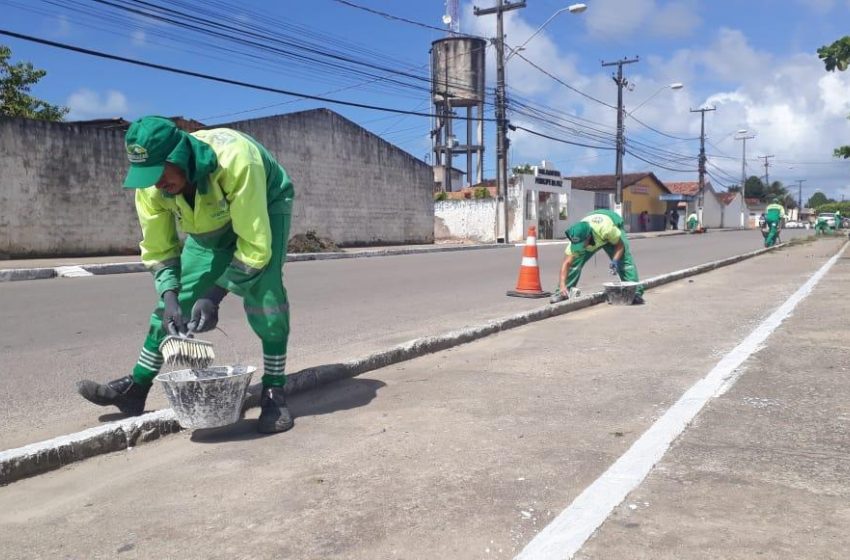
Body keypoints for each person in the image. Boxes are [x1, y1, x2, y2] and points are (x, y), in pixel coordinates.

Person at [77, 116, 296, 434]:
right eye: (147, 175)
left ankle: (275, 390)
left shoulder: (237, 161)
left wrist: (214, 295)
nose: (156, 184)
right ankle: (135, 388)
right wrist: (170, 297)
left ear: (179, 157)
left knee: (266, 296)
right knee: (175, 303)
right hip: (208, 224)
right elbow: (159, 248)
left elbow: (254, 246)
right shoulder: (151, 187)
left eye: (159, 173)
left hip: (266, 203)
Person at [550, 209, 644, 305]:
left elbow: (620, 246)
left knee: (624, 261)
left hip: (610, 223)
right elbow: (567, 263)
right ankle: (562, 292)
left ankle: (635, 292)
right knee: (574, 263)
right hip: (593, 223)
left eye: (582, 244)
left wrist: (615, 261)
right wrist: (562, 284)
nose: (581, 247)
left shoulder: (607, 229)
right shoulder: (577, 235)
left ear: (588, 237)